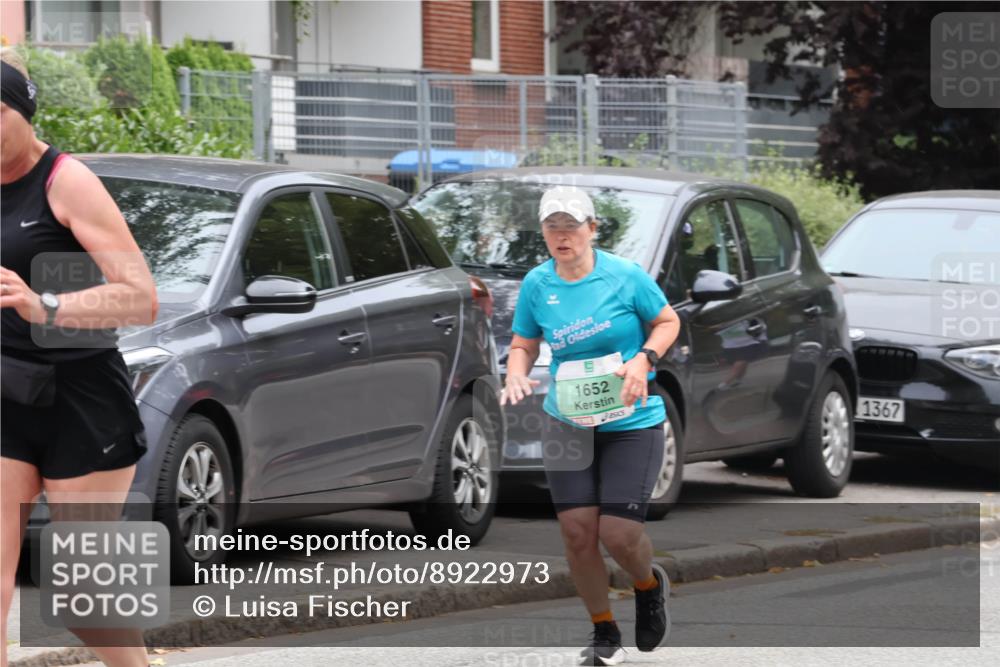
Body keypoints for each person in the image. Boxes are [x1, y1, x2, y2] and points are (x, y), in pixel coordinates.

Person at [1, 49, 158, 667]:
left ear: (20, 111)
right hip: (8, 393)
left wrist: (48, 305)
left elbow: (141, 299)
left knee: (86, 599)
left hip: (80, 400)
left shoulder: (66, 180)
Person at [501, 185, 681, 665]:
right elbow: (524, 343)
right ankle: (604, 631)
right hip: (568, 420)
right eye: (552, 226)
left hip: (631, 419)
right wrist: (516, 373)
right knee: (578, 532)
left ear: (592, 229)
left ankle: (647, 584)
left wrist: (644, 360)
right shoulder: (538, 284)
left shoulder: (624, 277)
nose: (561, 235)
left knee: (618, 534)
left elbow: (667, 321)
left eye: (571, 225)